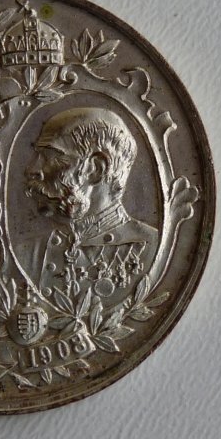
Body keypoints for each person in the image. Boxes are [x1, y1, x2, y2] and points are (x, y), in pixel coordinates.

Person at [24, 107, 157, 301]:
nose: (32, 170)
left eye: (49, 157)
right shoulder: (28, 252)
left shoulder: (151, 247)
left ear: (95, 169)